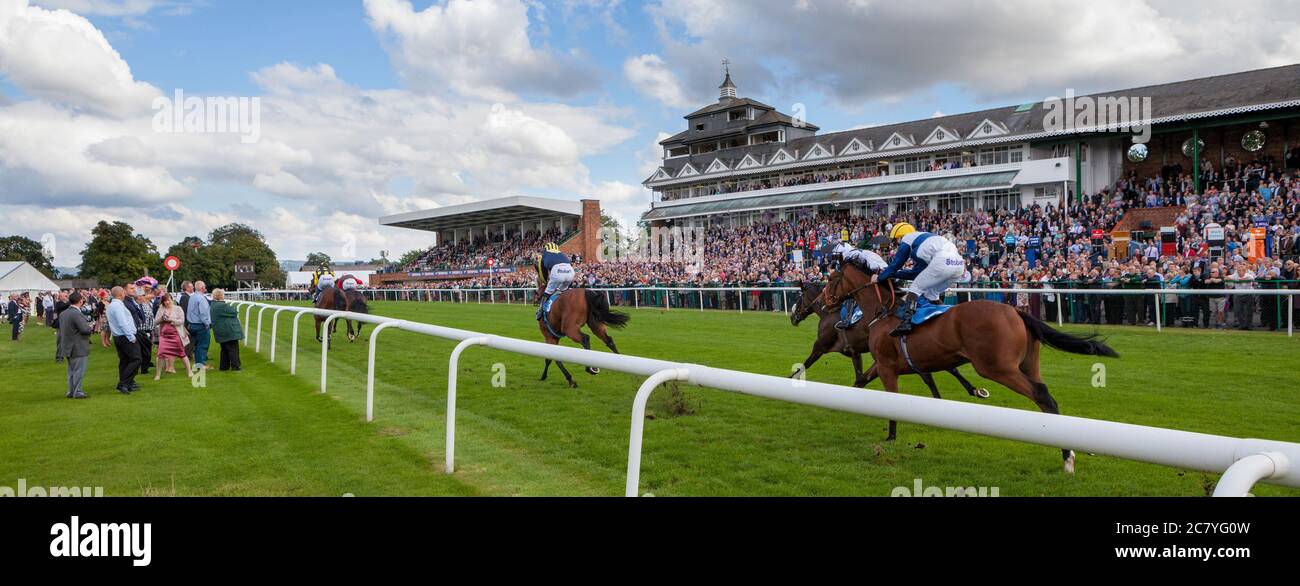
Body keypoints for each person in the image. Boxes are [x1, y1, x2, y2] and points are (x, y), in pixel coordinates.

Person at [873, 222, 966, 336]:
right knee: (932, 295)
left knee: (915, 288)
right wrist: (892, 274)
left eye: (895, 241)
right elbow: (915, 273)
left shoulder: (907, 239)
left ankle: (906, 322)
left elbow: (896, 265)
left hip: (943, 262)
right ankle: (949, 320)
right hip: (959, 265)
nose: (896, 245)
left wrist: (880, 277)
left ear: (900, 237)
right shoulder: (925, 239)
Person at [830, 241, 887, 330]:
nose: (837, 259)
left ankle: (847, 320)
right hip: (880, 270)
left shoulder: (851, 255)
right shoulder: (854, 254)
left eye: (837, 256)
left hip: (878, 270)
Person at [57, 291, 93, 399]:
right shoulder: (76, 313)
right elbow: (84, 329)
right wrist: (90, 326)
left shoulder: (63, 313)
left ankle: (71, 391)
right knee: (78, 370)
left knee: (71, 371)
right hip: (78, 345)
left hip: (67, 345)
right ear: (80, 301)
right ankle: (77, 391)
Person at [106, 286, 141, 394]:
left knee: (125, 361)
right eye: (124, 292)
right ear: (121, 294)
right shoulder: (117, 306)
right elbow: (122, 322)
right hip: (125, 336)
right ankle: (123, 383)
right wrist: (131, 336)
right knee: (136, 359)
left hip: (119, 336)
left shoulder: (112, 305)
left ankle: (128, 383)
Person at [153, 293, 193, 380]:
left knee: (182, 354)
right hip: (164, 336)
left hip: (176, 335)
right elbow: (155, 322)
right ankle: (158, 375)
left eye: (169, 300)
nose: (167, 302)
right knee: (160, 354)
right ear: (163, 302)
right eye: (165, 301)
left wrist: (171, 319)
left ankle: (189, 371)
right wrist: (162, 319)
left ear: (172, 300)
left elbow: (181, 321)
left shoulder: (178, 308)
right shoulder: (161, 309)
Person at [534, 242, 574, 320]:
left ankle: (541, 311)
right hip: (570, 272)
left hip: (557, 271)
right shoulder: (562, 253)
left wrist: (545, 282)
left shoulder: (543, 256)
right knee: (563, 291)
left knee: (547, 292)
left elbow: (543, 274)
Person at [210, 289, 244, 371]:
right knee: (233, 349)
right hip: (227, 331)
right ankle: (235, 366)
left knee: (224, 349)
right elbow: (234, 311)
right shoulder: (221, 305)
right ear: (220, 296)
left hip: (221, 330)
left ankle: (224, 367)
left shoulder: (214, 305)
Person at [187, 281, 212, 370]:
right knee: (202, 345)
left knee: (197, 346)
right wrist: (207, 324)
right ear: (202, 288)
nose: (205, 288)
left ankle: (198, 364)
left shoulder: (192, 297)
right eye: (204, 286)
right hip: (200, 325)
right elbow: (203, 313)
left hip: (192, 325)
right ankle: (201, 365)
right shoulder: (201, 298)